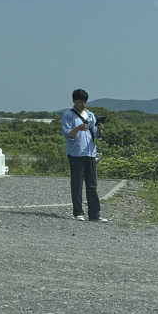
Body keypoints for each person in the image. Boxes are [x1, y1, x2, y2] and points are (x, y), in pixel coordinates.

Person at [62, 88, 107, 222]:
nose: (82, 104)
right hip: (75, 154)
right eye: (79, 102)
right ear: (74, 101)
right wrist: (78, 128)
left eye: (84, 102)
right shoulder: (68, 115)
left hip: (90, 153)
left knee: (92, 185)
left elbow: (95, 135)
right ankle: (78, 212)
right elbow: (68, 134)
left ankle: (94, 215)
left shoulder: (91, 115)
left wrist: (99, 129)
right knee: (77, 184)